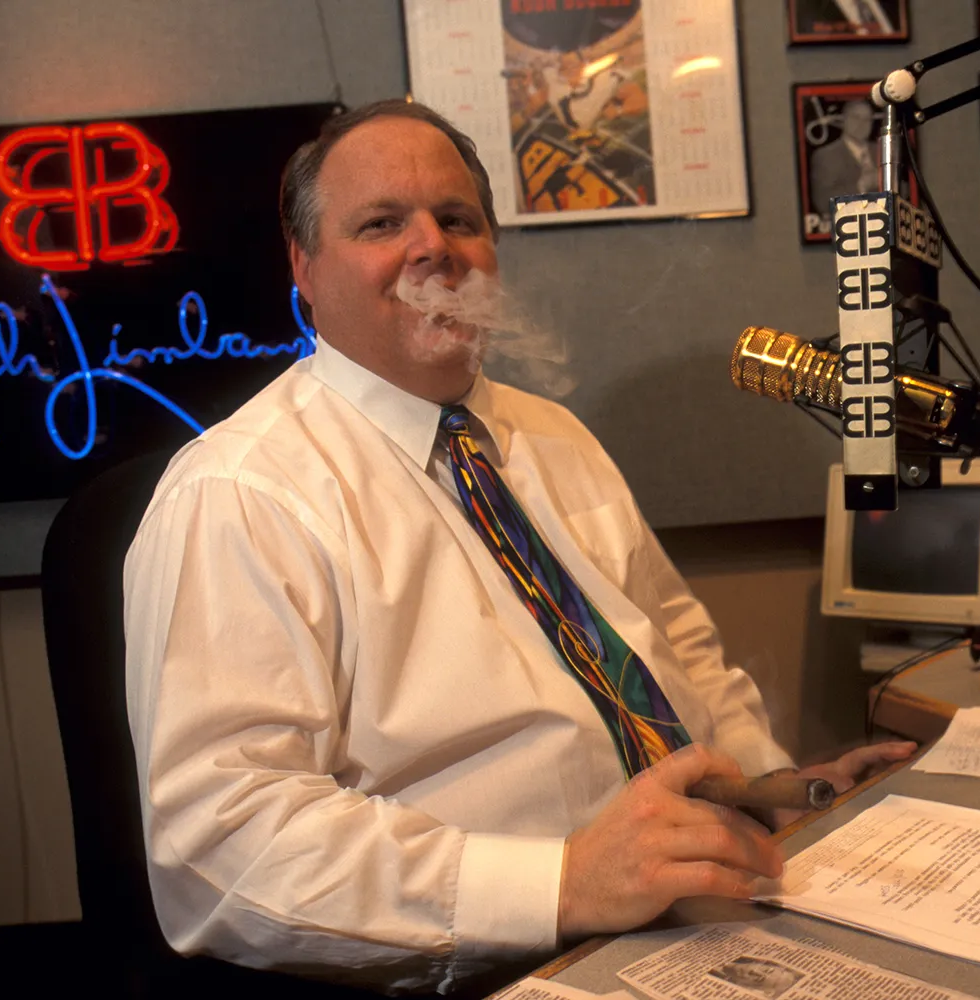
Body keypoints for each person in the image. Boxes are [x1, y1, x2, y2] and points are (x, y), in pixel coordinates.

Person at [124, 99, 914, 994]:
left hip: (707, 916)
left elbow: (677, 649)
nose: (434, 247)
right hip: (501, 965)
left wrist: (773, 787)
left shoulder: (553, 435)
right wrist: (563, 883)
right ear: (304, 267)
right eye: (382, 223)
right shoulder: (240, 492)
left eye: (458, 219)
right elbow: (223, 850)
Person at [809, 100, 878, 219]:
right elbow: (822, 202)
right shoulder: (825, 156)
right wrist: (860, 187)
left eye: (867, 119)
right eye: (856, 117)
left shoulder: (883, 150)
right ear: (843, 120)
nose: (862, 124)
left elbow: (906, 190)